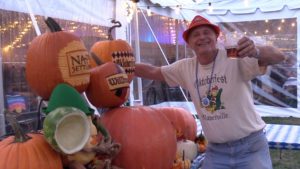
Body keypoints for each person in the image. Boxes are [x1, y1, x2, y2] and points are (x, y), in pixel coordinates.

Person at [135, 15, 286, 169]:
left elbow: (279, 56)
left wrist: (256, 52)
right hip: (216, 151)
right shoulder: (185, 68)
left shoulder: (233, 55)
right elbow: (154, 71)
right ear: (189, 43)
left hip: (250, 147)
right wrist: (125, 67)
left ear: (216, 37)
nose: (202, 37)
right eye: (196, 34)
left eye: (207, 32)